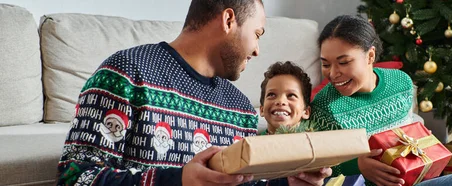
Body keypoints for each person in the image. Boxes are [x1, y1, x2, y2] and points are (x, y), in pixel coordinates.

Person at [56, 1, 331, 185]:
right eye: (257, 33)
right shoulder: (126, 73)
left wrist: (287, 181)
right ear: (228, 20)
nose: (257, 50)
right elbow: (74, 177)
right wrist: (179, 181)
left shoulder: (241, 110)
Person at [310, 15, 452, 186]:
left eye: (343, 62)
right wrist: (358, 166)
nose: (333, 73)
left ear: (370, 56)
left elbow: (407, 132)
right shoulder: (324, 104)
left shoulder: (400, 82)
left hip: (415, 181)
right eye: (326, 64)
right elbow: (315, 167)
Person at [258, 61, 312, 135]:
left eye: (291, 95)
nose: (280, 101)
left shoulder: (313, 143)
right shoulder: (251, 143)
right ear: (262, 110)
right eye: (272, 95)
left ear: (306, 112)